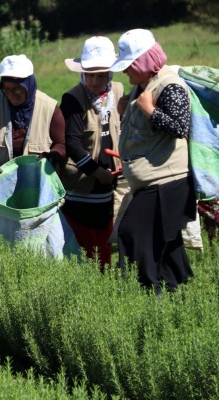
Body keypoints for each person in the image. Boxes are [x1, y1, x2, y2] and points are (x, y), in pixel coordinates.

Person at [110, 29, 195, 294]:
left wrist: (149, 110)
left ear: (143, 63)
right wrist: (128, 111)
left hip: (166, 183)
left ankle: (151, 293)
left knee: (133, 235)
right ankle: (174, 298)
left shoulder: (170, 85)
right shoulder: (142, 86)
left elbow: (180, 126)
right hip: (152, 183)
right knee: (165, 245)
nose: (125, 72)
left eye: (129, 66)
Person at [0, 54, 66, 248]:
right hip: (0, 191)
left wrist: (52, 156)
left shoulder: (49, 108)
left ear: (29, 85)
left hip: (35, 189)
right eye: (6, 90)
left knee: (37, 245)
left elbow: (61, 144)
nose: (12, 95)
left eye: (17, 90)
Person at [60, 36, 123, 271]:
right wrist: (96, 171)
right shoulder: (72, 99)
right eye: (90, 74)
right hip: (82, 183)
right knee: (84, 244)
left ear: (111, 73)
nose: (95, 81)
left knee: (104, 239)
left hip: (109, 182)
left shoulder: (117, 91)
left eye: (101, 74)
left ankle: (103, 280)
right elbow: (72, 144)